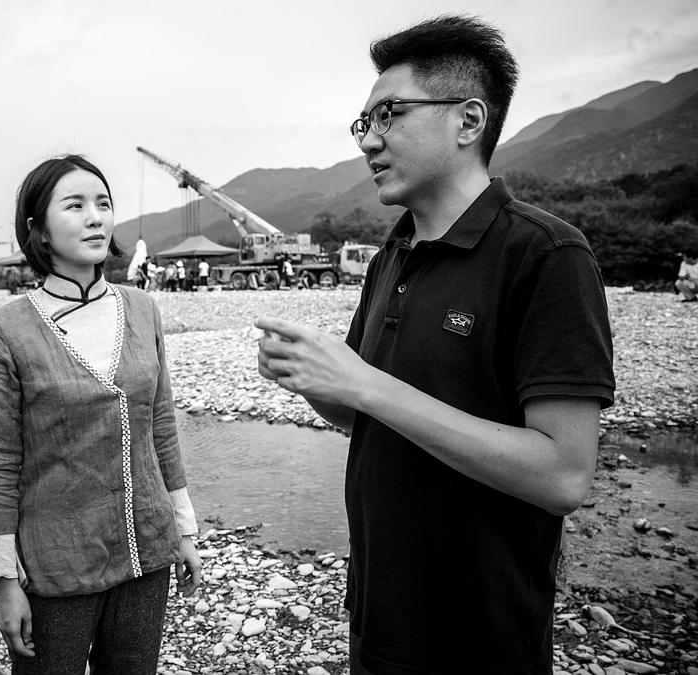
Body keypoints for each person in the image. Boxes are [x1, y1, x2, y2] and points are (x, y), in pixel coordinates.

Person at [256, 16, 614, 674]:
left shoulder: (545, 255)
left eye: (387, 114)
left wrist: (365, 384)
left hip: (481, 640)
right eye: (362, 123)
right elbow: (364, 414)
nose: (369, 139)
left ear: (468, 121)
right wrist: (311, 377)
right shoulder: (390, 254)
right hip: (378, 619)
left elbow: (563, 474)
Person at [0, 154, 203, 674]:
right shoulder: (7, 330)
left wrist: (184, 532)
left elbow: (162, 428)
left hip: (147, 551)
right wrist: (5, 581)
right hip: (56, 563)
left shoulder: (142, 308)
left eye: (103, 203)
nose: (95, 217)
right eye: (74, 205)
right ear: (38, 228)